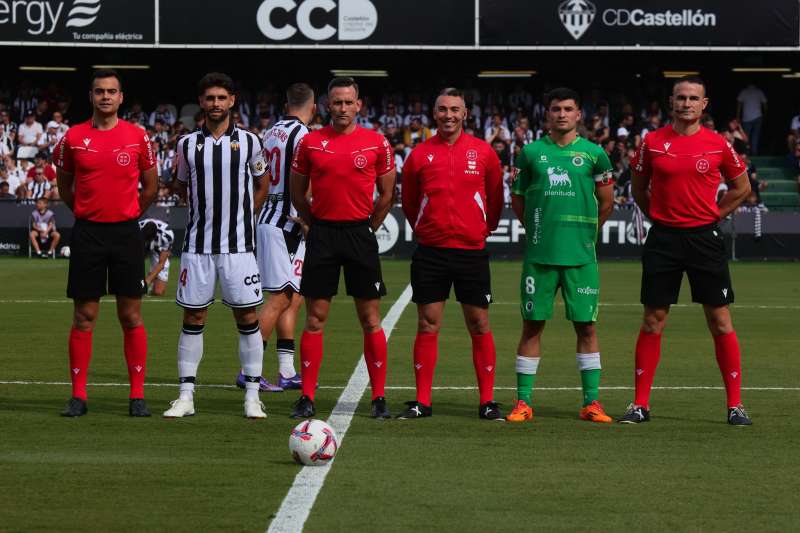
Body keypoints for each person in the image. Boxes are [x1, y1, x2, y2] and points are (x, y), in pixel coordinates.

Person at [621, 76, 753, 425]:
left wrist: (714, 215)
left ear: (704, 104)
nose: (687, 104)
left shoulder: (719, 144)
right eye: (681, 98)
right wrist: (658, 218)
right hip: (663, 239)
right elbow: (638, 187)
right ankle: (639, 405)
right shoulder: (651, 142)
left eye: (694, 98)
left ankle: (735, 405)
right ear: (671, 101)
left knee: (720, 320)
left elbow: (742, 187)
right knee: (653, 320)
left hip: (704, 239)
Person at [163, 72, 269, 419]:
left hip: (239, 247)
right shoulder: (186, 145)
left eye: (222, 98)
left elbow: (262, 183)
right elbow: (179, 186)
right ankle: (186, 396)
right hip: (197, 246)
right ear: (202, 103)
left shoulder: (252, 143)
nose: (216, 104)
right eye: (210, 98)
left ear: (232, 101)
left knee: (248, 316)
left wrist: (244, 215)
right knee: (193, 316)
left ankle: (253, 395)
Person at [507, 87, 616, 424]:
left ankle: (591, 403)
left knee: (587, 328)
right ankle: (523, 402)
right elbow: (519, 200)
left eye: (568, 109)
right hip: (540, 255)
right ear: (548, 113)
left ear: (579, 114)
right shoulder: (530, 153)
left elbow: (607, 202)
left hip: (581, 257)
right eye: (556, 109)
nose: (562, 114)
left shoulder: (596, 154)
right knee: (532, 327)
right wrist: (539, 232)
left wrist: (586, 236)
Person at [53, 69, 158, 417]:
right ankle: (78, 397)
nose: (105, 97)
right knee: (84, 315)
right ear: (91, 96)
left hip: (126, 233)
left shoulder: (138, 137)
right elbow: (65, 186)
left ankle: (137, 396)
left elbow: (151, 186)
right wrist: (86, 212)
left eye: (112, 91)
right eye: (99, 91)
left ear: (121, 97)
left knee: (130, 314)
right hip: (88, 233)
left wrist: (129, 214)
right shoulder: (73, 137)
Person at [289, 76, 395, 419]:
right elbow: (297, 192)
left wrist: (368, 228)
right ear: (327, 106)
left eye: (349, 102)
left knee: (370, 318)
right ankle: (306, 396)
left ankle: (378, 397)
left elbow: (387, 194)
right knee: (315, 318)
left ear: (359, 105)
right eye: (337, 102)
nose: (343, 108)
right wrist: (314, 224)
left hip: (359, 236)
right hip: (323, 236)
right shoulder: (311, 143)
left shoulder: (377, 142)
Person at [398, 87, 504, 420]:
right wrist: (426, 228)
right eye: (443, 109)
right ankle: (422, 401)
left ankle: (487, 401)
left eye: (455, 109)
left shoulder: (484, 152)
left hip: (471, 252)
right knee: (428, 324)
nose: (449, 115)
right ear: (435, 113)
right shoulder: (419, 155)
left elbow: (495, 199)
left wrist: (481, 228)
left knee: (479, 323)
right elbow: (411, 201)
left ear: (465, 114)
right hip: (431, 252)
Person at [235, 82, 316, 393]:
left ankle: (285, 370)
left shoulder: (268, 133)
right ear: (313, 107)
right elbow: (303, 179)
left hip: (269, 219)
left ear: (285, 105)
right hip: (287, 223)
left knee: (292, 297)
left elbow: (258, 172)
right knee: (280, 298)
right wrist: (306, 217)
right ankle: (248, 370)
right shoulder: (304, 136)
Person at [138, 218, 174, 296]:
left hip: (158, 250)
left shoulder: (167, 235)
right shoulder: (136, 229)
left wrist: (145, 283)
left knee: (158, 292)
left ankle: (149, 286)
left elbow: (161, 263)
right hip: (140, 246)